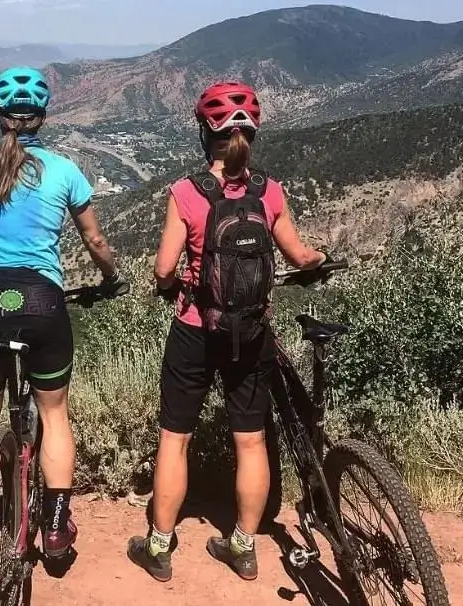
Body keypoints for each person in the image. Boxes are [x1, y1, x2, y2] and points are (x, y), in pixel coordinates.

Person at [126, 82, 327, 582]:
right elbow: (299, 256)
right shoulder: (270, 191)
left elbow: (163, 267)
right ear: (252, 135)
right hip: (253, 331)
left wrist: (178, 283)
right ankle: (241, 546)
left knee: (175, 438)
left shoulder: (187, 193)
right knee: (251, 441)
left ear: (203, 134)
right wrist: (319, 260)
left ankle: (159, 546)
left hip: (195, 328)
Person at [0, 66, 127, 558]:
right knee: (55, 414)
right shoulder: (64, 170)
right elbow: (96, 240)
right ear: (42, 116)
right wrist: (111, 279)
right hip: (44, 301)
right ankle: (57, 528)